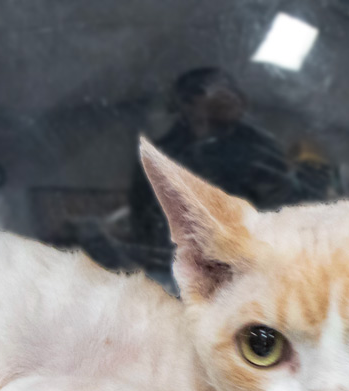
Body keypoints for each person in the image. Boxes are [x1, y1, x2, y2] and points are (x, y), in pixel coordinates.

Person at [129, 68, 302, 253]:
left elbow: (283, 204)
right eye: (214, 90)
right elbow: (145, 218)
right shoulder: (160, 155)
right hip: (176, 260)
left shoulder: (260, 146)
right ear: (185, 104)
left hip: (254, 254)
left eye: (231, 89)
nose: (229, 96)